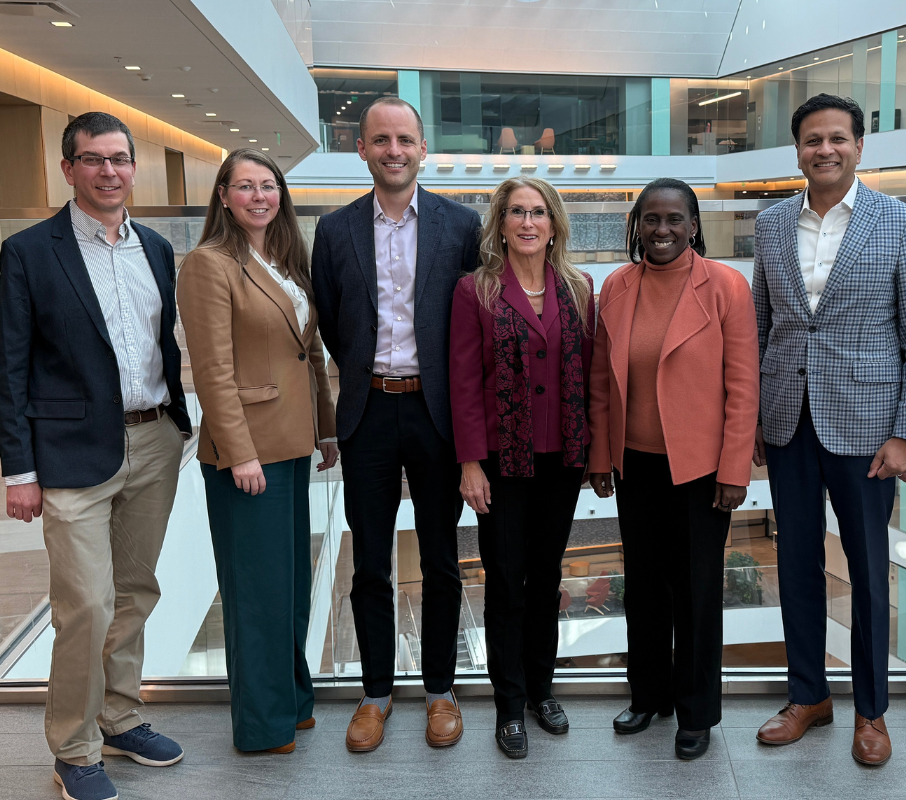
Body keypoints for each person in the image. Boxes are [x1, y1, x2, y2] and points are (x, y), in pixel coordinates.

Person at [0, 112, 190, 800]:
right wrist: (20, 470)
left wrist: (179, 428)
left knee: (135, 593)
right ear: (68, 168)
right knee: (86, 605)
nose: (109, 171)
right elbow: (10, 367)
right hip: (69, 454)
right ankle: (74, 748)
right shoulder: (30, 251)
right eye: (93, 159)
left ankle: (121, 716)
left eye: (119, 159)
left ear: (134, 167)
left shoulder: (158, 248)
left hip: (155, 439)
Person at [751, 94, 906, 766]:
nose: (823, 150)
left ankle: (871, 711)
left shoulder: (899, 222)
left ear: (860, 146)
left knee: (867, 573)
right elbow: (761, 324)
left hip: (869, 430)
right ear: (797, 150)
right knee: (796, 565)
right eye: (811, 140)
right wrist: (753, 421)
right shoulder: (772, 222)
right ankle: (809, 695)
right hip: (787, 421)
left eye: (837, 138)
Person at [311, 96, 483, 752]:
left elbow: (471, 320)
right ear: (361, 148)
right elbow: (331, 319)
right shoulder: (334, 230)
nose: (393, 150)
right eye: (380, 139)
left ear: (422, 147)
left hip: (439, 412)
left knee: (441, 559)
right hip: (368, 411)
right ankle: (376, 694)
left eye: (404, 139)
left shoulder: (460, 224)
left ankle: (441, 691)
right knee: (370, 564)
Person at [588, 177, 760, 761]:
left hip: (700, 472)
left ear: (693, 226)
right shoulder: (615, 285)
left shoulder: (727, 288)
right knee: (644, 590)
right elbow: (598, 382)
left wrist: (734, 469)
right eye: (651, 220)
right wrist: (600, 457)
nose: (662, 230)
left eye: (674, 220)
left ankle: (696, 713)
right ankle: (649, 697)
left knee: (694, 593)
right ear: (637, 225)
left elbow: (743, 386)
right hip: (633, 465)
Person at [177, 149, 339, 755]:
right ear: (223, 196)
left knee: (290, 585)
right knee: (257, 591)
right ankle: (261, 725)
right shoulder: (207, 264)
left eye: (267, 185)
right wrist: (240, 453)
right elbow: (212, 372)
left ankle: (292, 703)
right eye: (244, 186)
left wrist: (325, 430)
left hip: (293, 444)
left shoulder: (286, 260)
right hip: (247, 455)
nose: (258, 196)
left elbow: (310, 353)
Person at [449, 177, 595, 759]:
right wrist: (469, 463)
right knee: (507, 583)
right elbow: (462, 383)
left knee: (548, 579)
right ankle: (508, 705)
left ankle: (541, 690)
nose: (528, 222)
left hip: (561, 459)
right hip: (502, 464)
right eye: (517, 213)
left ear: (554, 223)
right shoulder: (475, 291)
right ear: (500, 224)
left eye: (538, 212)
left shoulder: (580, 288)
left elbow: (589, 374)